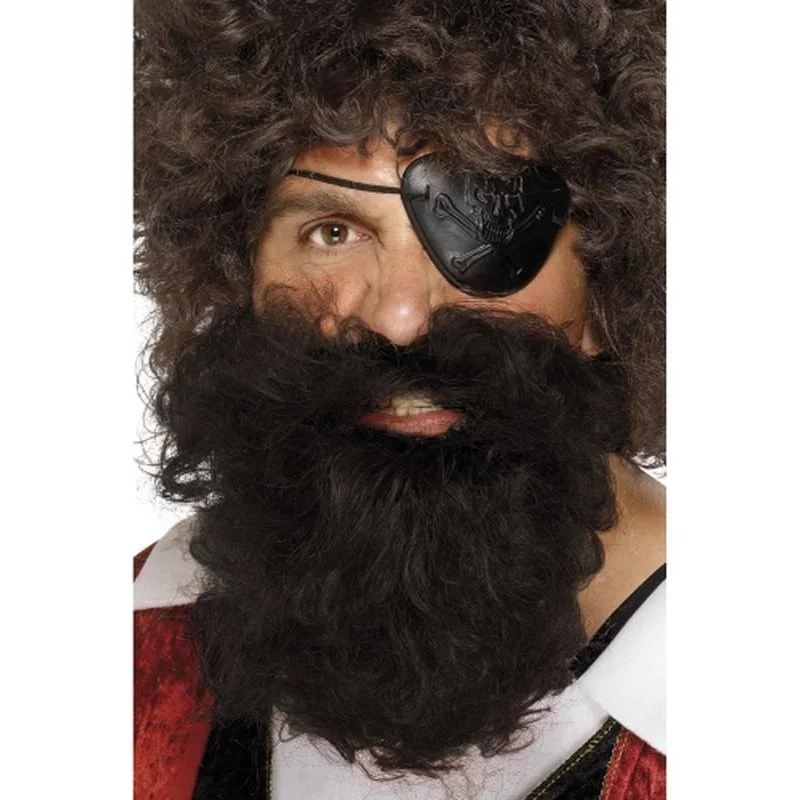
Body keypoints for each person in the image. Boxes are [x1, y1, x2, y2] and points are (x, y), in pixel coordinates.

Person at [133, 1, 666, 798]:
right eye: (333, 232)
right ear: (238, 273)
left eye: (482, 220)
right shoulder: (131, 649)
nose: (402, 317)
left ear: (610, 277)